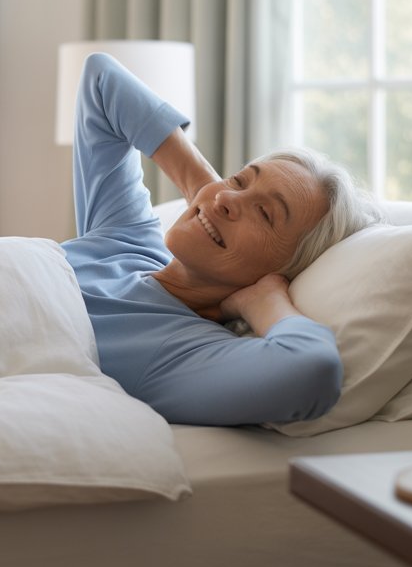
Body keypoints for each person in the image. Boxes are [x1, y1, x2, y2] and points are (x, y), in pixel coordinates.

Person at [61, 52, 377, 426]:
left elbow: (313, 370)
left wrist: (264, 301)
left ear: (285, 269)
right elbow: (102, 78)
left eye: (264, 214)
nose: (228, 198)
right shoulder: (127, 237)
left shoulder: (179, 352)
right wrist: (204, 191)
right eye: (240, 179)